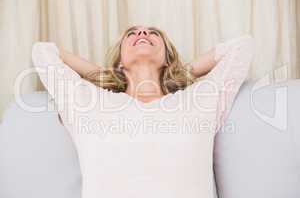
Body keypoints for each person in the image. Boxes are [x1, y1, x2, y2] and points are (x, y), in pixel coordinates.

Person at [31, 25, 255, 198]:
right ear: (119, 60)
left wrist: (178, 74)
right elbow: (44, 52)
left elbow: (241, 47)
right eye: (131, 34)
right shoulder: (88, 103)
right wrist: (106, 76)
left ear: (168, 58)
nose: (143, 32)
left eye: (153, 33)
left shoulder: (198, 101)